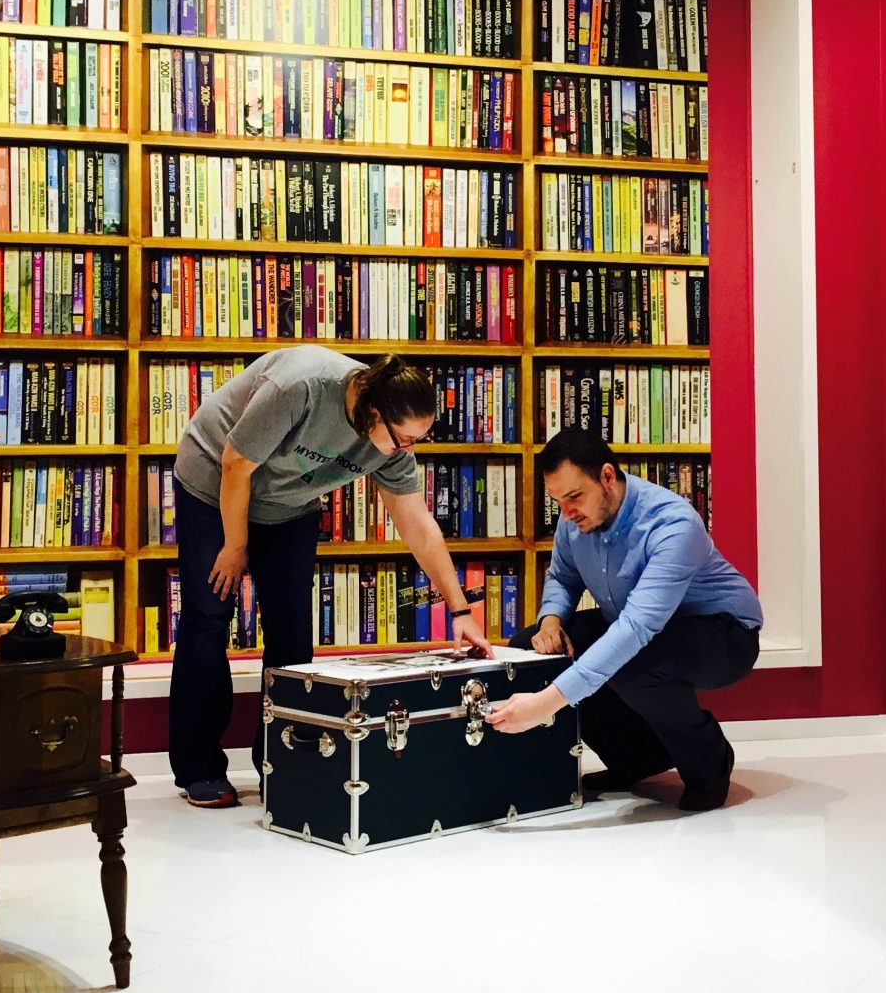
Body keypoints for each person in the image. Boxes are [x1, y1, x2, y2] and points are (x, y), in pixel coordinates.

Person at [169, 347, 491, 807]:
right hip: (214, 481)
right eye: (403, 438)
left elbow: (417, 524)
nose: (407, 450)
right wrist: (235, 545)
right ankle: (199, 768)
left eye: (417, 440)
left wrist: (460, 610)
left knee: (292, 633)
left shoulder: (392, 444)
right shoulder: (301, 386)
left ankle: (281, 765)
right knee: (208, 617)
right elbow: (236, 462)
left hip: (288, 506)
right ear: (373, 411)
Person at [489, 428, 761, 812]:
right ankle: (638, 758)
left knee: (635, 666)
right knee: (530, 649)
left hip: (725, 631)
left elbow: (635, 629)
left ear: (606, 477)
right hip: (641, 625)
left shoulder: (673, 524)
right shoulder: (574, 520)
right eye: (557, 501)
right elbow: (563, 577)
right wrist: (550, 620)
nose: (566, 513)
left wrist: (545, 704)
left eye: (574, 497)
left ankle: (709, 767)